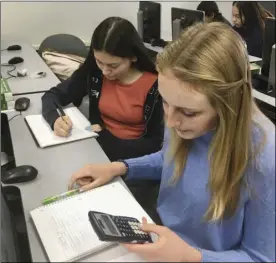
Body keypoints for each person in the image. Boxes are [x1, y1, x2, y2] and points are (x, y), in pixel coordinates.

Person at [69, 22, 275, 262]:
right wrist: (120, 167)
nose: (171, 122)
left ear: (229, 103)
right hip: (163, 237)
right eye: (165, 102)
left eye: (188, 113)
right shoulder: (183, 119)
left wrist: (189, 256)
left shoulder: (265, 160)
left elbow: (261, 258)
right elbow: (171, 159)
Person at [42, 17, 163, 214]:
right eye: (99, 62)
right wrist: (56, 118)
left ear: (133, 57)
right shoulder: (95, 72)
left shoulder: (156, 86)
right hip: (96, 152)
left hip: (132, 166)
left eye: (114, 66)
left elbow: (154, 146)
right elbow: (53, 96)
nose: (105, 71)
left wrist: (101, 138)